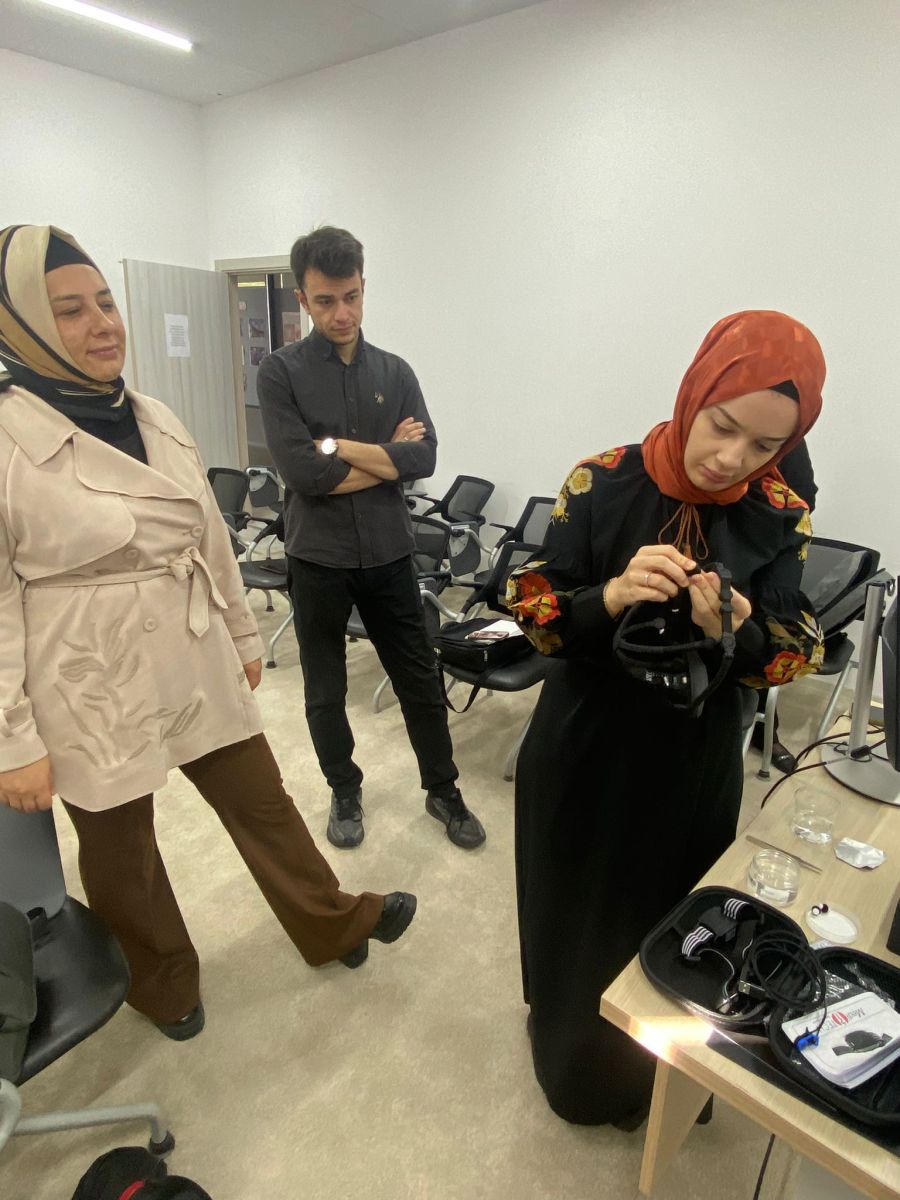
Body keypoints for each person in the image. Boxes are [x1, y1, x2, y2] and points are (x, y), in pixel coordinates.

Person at [0, 224, 417, 1042]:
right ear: (25, 329)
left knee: (264, 801)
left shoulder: (153, 415)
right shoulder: (10, 437)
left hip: (188, 646)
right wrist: (13, 738)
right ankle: (162, 984)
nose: (103, 324)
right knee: (121, 849)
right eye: (71, 311)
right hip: (84, 670)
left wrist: (241, 635)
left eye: (106, 302)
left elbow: (211, 540)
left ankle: (332, 922)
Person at [506, 310, 826, 1125]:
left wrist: (740, 631)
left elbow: (797, 648)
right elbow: (531, 608)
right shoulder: (602, 480)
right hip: (586, 743)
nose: (732, 458)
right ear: (694, 393)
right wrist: (610, 595)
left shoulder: (778, 511)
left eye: (764, 446)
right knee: (575, 916)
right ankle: (577, 1072)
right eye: (722, 426)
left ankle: (660, 1080)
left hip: (693, 760)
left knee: (676, 924)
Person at [256, 226, 485, 851]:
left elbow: (425, 457)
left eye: (352, 296)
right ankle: (344, 788)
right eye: (326, 300)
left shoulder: (395, 371)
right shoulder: (279, 374)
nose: (342, 313)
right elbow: (303, 474)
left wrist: (335, 447)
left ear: (364, 287)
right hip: (317, 558)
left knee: (419, 678)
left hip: (389, 552)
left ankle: (443, 789)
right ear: (302, 299)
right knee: (325, 690)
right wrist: (387, 456)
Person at [749, 438, 818, 773]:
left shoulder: (783, 436)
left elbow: (806, 494)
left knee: (767, 630)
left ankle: (766, 733)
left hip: (767, 546)